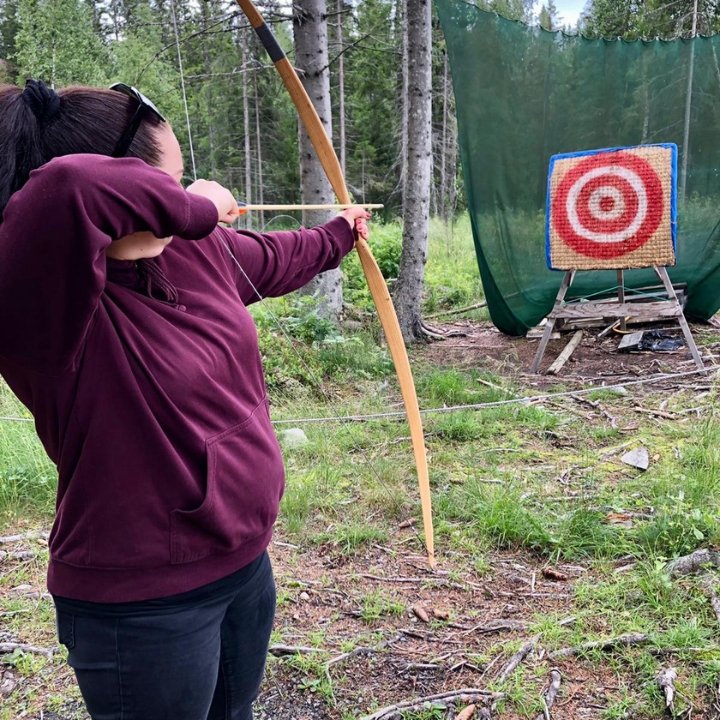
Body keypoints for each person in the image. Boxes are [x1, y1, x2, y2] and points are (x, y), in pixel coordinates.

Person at [0, 79, 370, 720]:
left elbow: (279, 255)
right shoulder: (34, 299)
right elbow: (69, 190)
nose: (182, 194)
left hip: (242, 563)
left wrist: (340, 231)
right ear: (133, 191)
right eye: (167, 184)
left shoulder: (195, 254)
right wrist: (193, 205)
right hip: (141, 602)